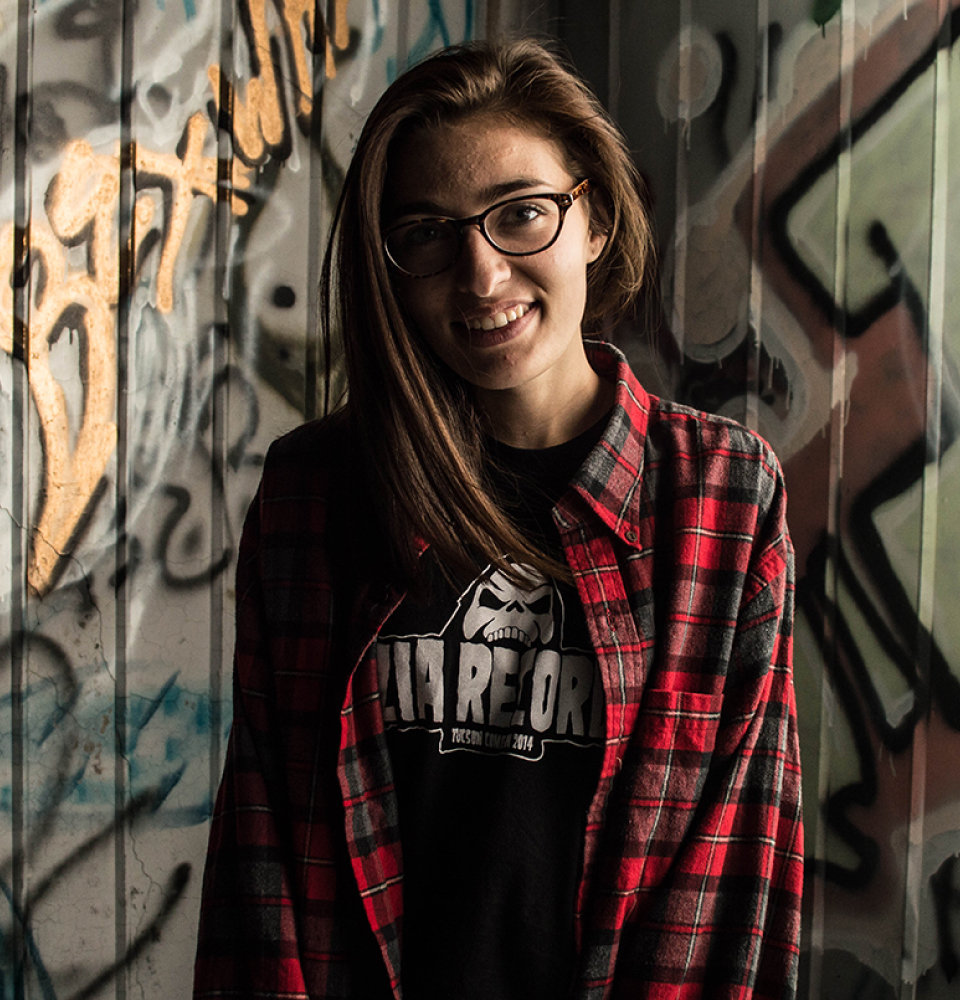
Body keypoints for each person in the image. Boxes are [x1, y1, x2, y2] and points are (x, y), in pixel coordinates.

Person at [193, 37, 804, 1000]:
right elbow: (263, 862)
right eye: (430, 234)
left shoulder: (721, 499)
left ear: (593, 218)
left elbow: (735, 875)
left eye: (521, 214)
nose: (481, 277)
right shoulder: (317, 492)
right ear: (390, 264)